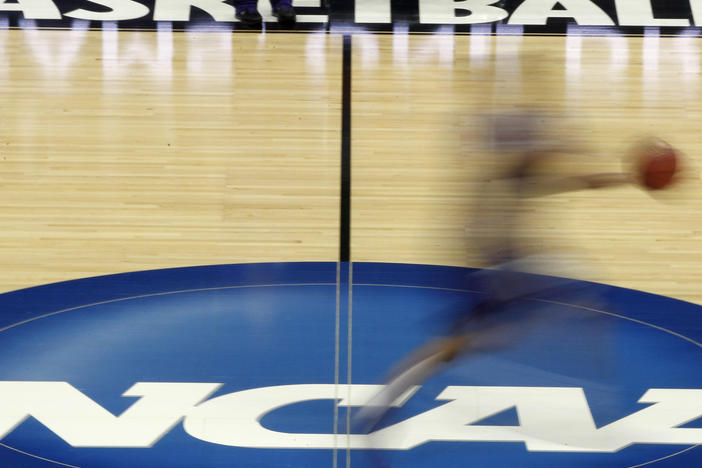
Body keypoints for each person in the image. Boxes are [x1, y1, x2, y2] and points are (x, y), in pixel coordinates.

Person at [353, 110, 637, 452]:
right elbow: (561, 169)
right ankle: (597, 391)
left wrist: (629, 177)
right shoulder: (514, 170)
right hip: (500, 268)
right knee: (582, 301)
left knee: (459, 344)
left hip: (501, 264)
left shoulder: (513, 172)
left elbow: (582, 180)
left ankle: (383, 399)